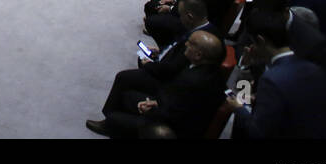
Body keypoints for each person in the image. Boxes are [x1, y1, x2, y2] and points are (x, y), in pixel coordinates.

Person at [87, 27, 225, 139]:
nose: (186, 45)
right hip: (172, 106)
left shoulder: (192, 81)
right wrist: (156, 103)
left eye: (190, 43)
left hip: (171, 131)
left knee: (115, 118)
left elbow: (175, 117)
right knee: (127, 96)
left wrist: (152, 108)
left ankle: (111, 125)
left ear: (198, 55)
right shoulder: (211, 71)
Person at [227, 9, 326, 138]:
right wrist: (246, 66)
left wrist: (238, 108)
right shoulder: (311, 66)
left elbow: (256, 132)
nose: (250, 48)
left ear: (261, 41)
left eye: (251, 42)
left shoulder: (272, 79)